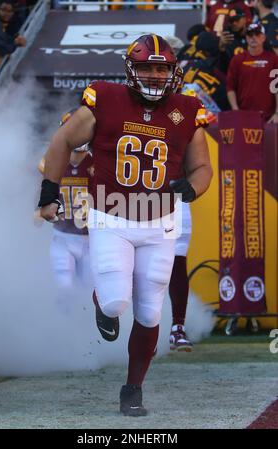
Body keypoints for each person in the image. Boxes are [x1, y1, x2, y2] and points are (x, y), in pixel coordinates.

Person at [38, 34, 213, 416]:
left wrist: (193, 186)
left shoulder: (188, 109)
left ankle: (133, 388)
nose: (154, 74)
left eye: (161, 68)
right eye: (147, 67)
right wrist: (49, 191)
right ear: (131, 70)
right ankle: (103, 303)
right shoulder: (105, 98)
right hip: (111, 216)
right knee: (117, 300)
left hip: (160, 221)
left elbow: (202, 167)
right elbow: (64, 139)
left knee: (150, 312)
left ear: (172, 71)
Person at [38, 110, 93, 313]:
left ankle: (83, 334)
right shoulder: (52, 161)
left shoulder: (98, 163)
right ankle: (62, 331)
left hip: (91, 239)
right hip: (62, 237)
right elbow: (42, 189)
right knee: (65, 289)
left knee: (89, 291)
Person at [227, 22, 278, 122]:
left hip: (269, 117)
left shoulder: (274, 59)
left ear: (263, 37)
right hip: (243, 116)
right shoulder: (237, 60)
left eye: (257, 34)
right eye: (250, 35)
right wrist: (235, 110)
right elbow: (230, 87)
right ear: (246, 38)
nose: (253, 38)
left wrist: (277, 113)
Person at [169, 202, 193, 351]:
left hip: (175, 201)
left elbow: (200, 179)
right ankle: (142, 330)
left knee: (177, 261)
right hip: (139, 199)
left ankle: (178, 328)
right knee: (142, 265)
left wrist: (190, 189)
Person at [218, 8, 247, 73]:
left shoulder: (253, 34)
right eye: (231, 21)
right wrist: (222, 49)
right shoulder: (226, 38)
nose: (234, 23)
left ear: (244, 19)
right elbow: (223, 68)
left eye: (237, 20)